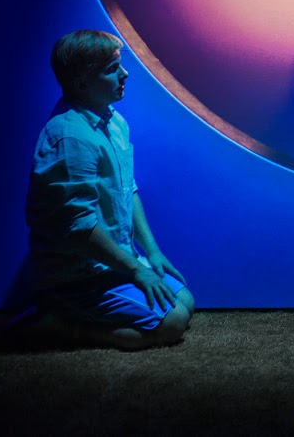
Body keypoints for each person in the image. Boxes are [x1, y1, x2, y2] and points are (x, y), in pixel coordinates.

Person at [22, 29, 195, 349]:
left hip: (113, 264)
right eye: (112, 69)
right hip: (79, 277)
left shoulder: (114, 121)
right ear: (81, 84)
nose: (125, 73)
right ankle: (63, 325)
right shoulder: (70, 137)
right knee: (173, 323)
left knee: (185, 301)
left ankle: (75, 315)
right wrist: (136, 270)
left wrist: (151, 253)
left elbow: (128, 190)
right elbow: (78, 228)